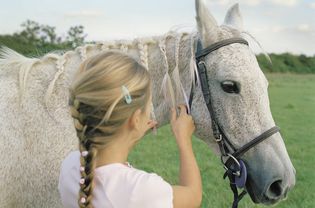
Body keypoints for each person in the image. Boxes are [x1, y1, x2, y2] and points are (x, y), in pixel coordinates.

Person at [58, 51, 202, 208]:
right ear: (135, 119)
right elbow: (193, 196)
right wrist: (184, 139)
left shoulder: (71, 165)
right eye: (148, 104)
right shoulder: (142, 190)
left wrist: (129, 134)